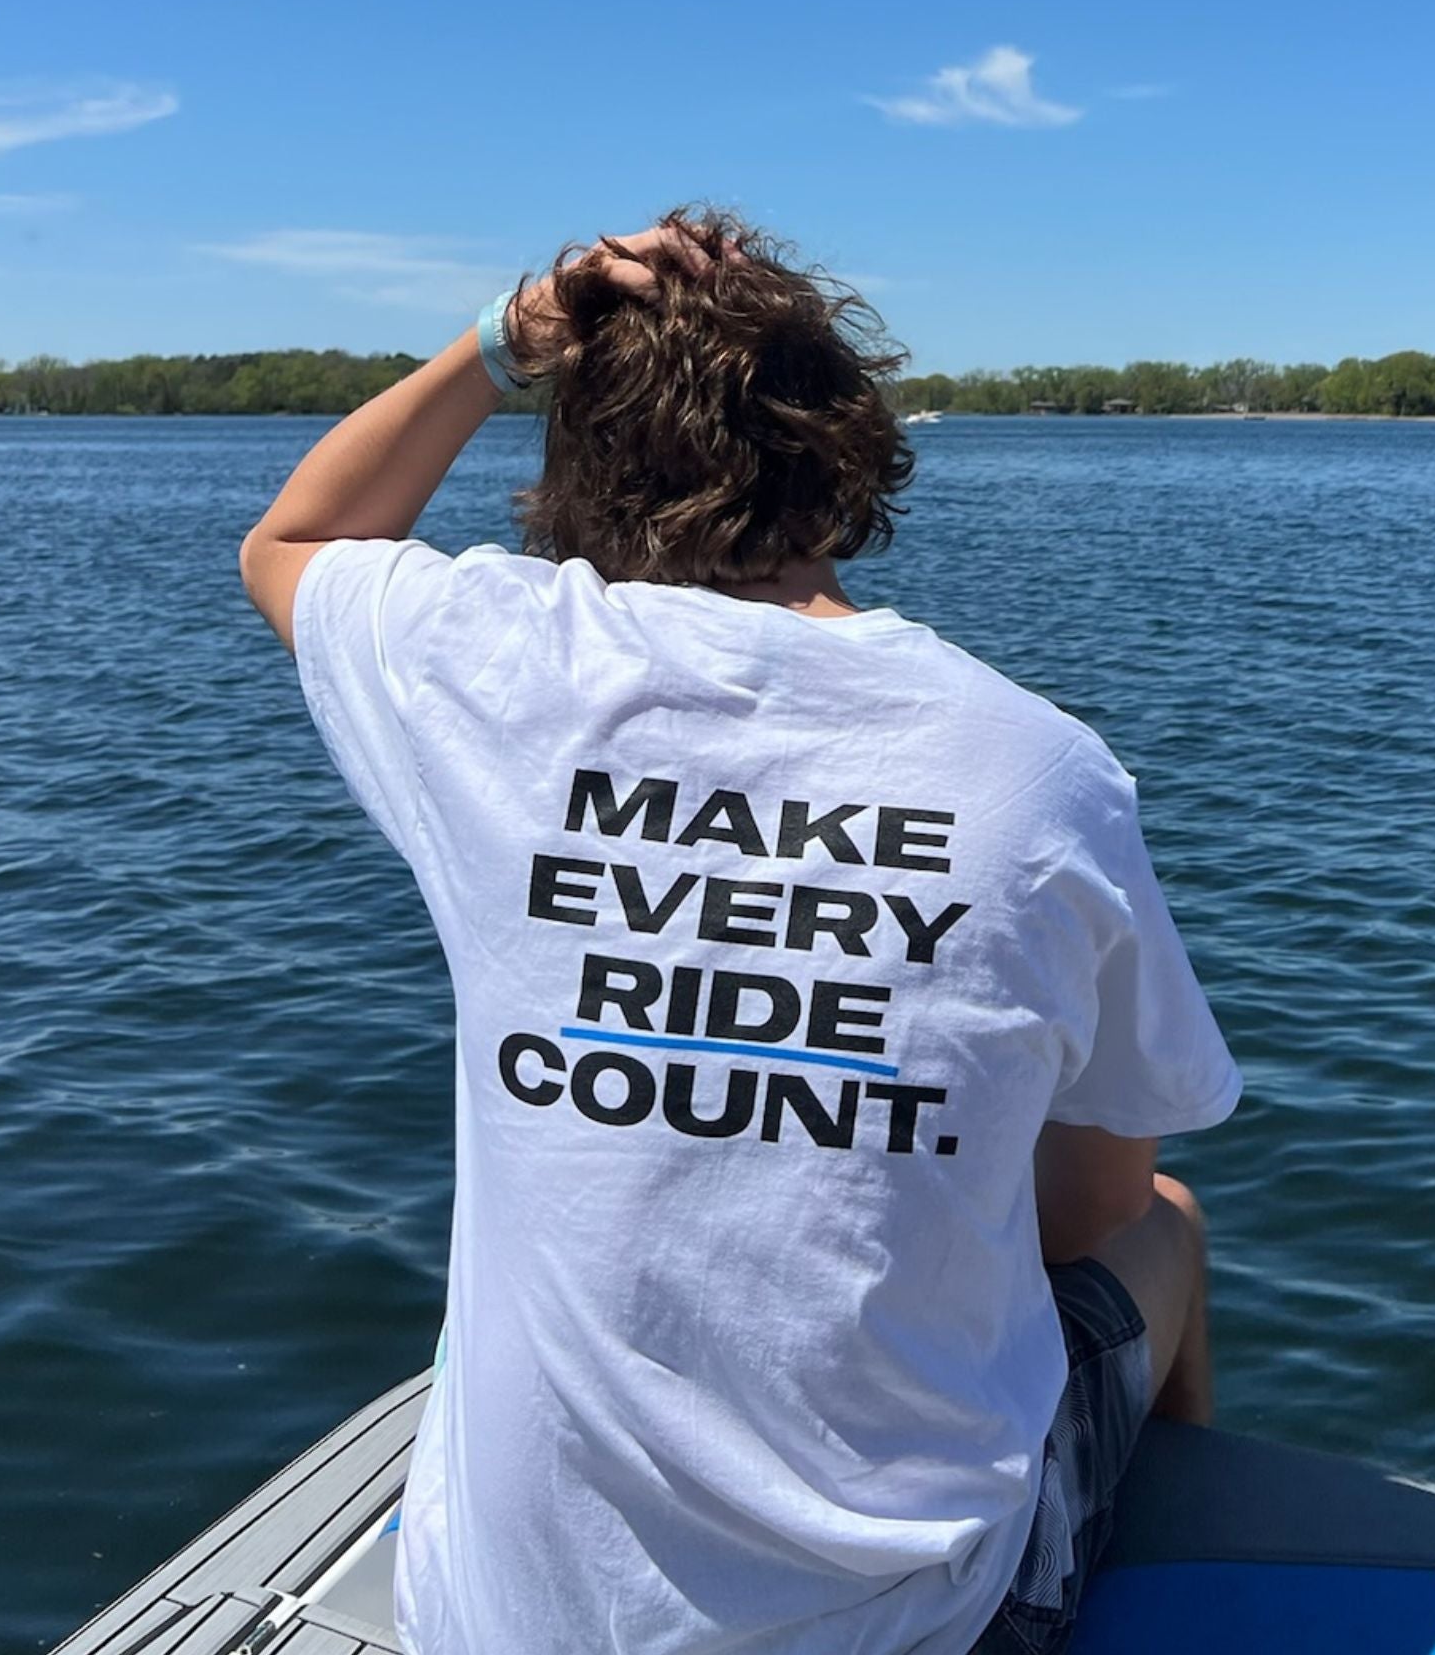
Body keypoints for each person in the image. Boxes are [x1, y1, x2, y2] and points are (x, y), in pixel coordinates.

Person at [240, 208, 1242, 1655]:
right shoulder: (1039, 771)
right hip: (913, 1628)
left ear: (577, 459)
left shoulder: (497, 673)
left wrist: (496, 344)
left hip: (502, 1626)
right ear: (840, 452)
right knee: (1169, 1230)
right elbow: (1087, 1210)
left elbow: (302, 534)